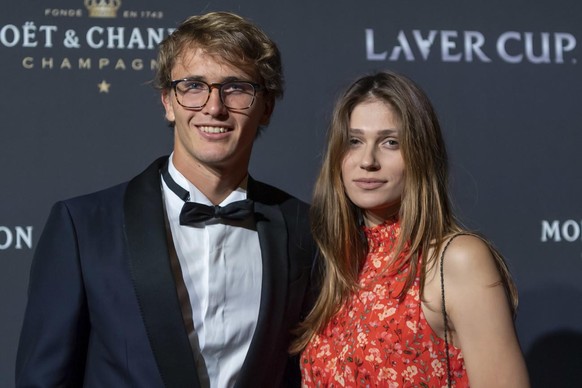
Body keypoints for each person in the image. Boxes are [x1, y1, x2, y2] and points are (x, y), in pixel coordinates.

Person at [16, 11, 316, 388]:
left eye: (236, 87)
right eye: (193, 86)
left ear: (266, 107)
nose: (214, 107)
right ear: (168, 102)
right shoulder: (83, 227)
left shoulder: (306, 230)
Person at [292, 71, 530, 387]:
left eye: (390, 142)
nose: (368, 160)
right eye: (354, 141)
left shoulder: (457, 259)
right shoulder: (336, 265)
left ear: (419, 155)